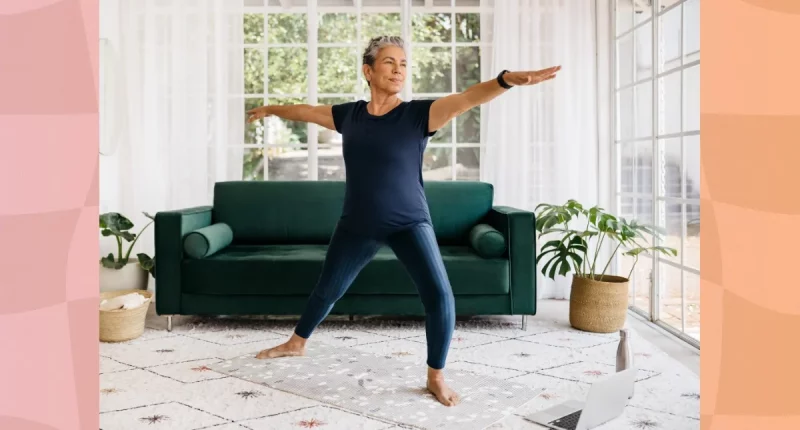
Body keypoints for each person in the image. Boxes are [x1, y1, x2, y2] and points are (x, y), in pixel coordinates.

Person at [246, 35, 560, 407]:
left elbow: (467, 98)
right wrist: (271, 109)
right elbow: (306, 111)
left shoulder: (418, 115)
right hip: (357, 222)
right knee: (328, 288)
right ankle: (297, 343)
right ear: (368, 70)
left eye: (404, 64)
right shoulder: (349, 115)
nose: (399, 70)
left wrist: (506, 80)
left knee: (440, 296)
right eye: (390, 63)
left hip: (409, 221)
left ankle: (435, 376)